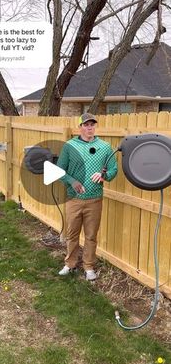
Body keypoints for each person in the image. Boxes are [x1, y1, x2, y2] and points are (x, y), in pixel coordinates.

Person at [57, 113, 118, 280]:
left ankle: (89, 267)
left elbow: (113, 170)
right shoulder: (70, 146)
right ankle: (70, 264)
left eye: (92, 124)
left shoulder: (105, 147)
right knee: (72, 234)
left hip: (95, 199)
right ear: (80, 127)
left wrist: (103, 175)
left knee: (91, 235)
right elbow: (59, 170)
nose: (90, 127)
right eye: (86, 125)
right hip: (73, 199)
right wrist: (72, 181)